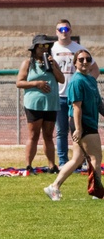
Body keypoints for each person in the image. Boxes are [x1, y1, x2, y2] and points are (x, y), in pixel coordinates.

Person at [44, 50, 103, 201]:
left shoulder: (90, 80)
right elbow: (76, 107)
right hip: (83, 123)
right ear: (75, 63)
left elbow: (98, 103)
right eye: (81, 59)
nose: (84, 62)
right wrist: (78, 129)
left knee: (77, 159)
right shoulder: (77, 81)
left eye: (87, 59)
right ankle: (97, 192)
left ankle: (54, 186)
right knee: (96, 157)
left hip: (87, 123)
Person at [51, 19, 100, 167]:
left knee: (80, 129)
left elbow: (95, 69)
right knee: (61, 131)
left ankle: (82, 160)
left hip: (77, 96)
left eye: (66, 29)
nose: (63, 32)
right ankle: (63, 161)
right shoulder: (52, 49)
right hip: (59, 95)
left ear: (71, 31)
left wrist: (86, 83)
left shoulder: (79, 49)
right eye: (60, 29)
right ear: (56, 32)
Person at [16, 35, 64, 173]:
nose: (44, 48)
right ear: (35, 48)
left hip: (51, 104)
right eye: (41, 46)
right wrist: (37, 84)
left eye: (47, 46)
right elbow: (19, 82)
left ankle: (51, 165)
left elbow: (61, 80)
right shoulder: (27, 63)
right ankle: (28, 166)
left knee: (48, 135)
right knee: (34, 135)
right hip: (34, 105)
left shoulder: (52, 62)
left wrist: (53, 67)